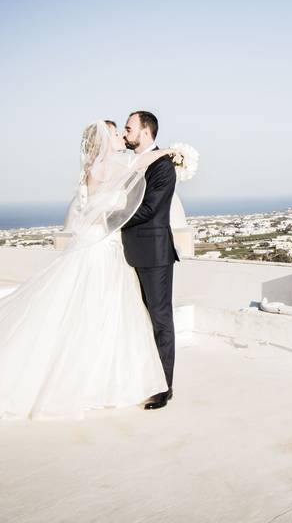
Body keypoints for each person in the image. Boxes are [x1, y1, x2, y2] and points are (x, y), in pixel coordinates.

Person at [0, 120, 178, 431]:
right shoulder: (106, 168)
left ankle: (106, 378)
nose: (121, 136)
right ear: (105, 142)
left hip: (103, 246)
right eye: (116, 133)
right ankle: (93, 382)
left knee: (98, 315)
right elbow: (135, 174)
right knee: (93, 314)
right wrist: (165, 153)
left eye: (124, 131)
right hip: (99, 248)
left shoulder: (98, 167)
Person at [121, 111, 179, 410]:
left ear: (145, 132)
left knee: (160, 320)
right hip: (130, 253)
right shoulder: (130, 163)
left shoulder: (163, 166)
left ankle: (164, 388)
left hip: (155, 254)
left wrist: (113, 218)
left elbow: (150, 209)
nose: (124, 133)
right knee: (140, 320)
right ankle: (144, 376)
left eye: (129, 128)